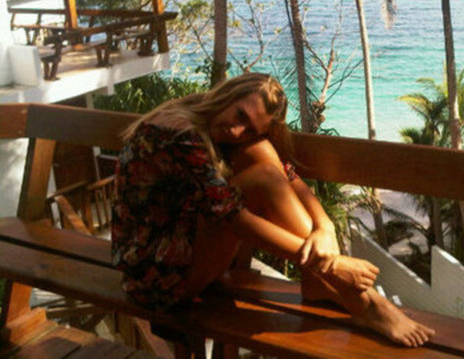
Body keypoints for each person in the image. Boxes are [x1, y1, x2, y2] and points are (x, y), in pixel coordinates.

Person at [112, 72, 435, 347]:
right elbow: (232, 218)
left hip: (183, 248)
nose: (237, 131)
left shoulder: (207, 118)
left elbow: (287, 176)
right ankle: (362, 301)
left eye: (250, 127)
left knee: (261, 152)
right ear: (228, 95)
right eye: (240, 115)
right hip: (153, 278)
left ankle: (320, 283)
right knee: (263, 178)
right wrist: (332, 264)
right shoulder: (178, 132)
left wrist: (325, 226)